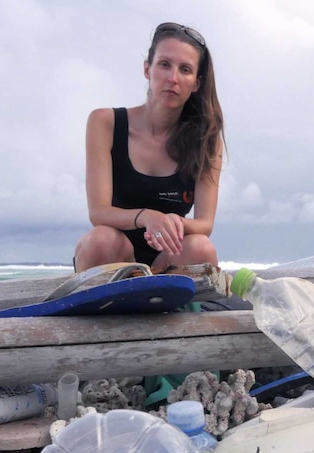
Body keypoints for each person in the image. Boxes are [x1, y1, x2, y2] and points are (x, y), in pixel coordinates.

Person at [73, 22, 225, 273]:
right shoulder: (105, 122)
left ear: (196, 83)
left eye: (185, 69)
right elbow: (98, 212)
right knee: (100, 239)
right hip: (113, 255)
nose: (172, 78)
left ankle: (177, 306)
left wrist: (175, 223)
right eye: (164, 64)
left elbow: (205, 224)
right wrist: (146, 217)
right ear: (147, 69)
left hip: (169, 257)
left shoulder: (205, 139)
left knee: (201, 248)